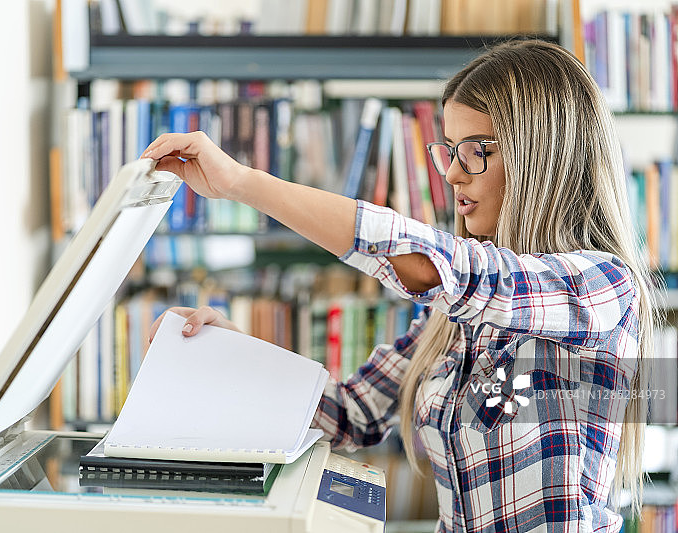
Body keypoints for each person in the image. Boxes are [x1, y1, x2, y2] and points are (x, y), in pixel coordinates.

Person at [143, 39, 659, 532]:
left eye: (478, 150)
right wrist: (231, 350)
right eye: (450, 150)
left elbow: (438, 266)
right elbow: (347, 415)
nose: (454, 174)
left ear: (545, 154)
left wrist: (241, 183)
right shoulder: (455, 320)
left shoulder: (602, 287)